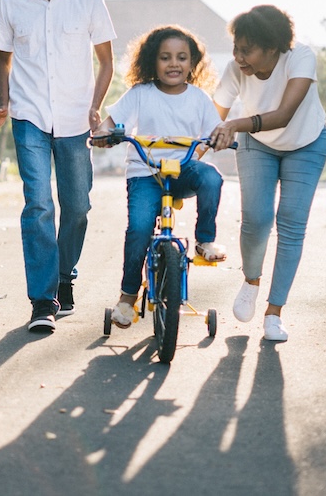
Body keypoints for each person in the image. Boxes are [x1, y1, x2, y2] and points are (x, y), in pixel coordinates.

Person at [0, 0, 116, 333]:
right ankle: (43, 300)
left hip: (76, 118)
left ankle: (65, 277)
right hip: (29, 117)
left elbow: (106, 61)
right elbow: (4, 61)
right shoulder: (10, 1)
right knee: (39, 204)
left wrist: (96, 107)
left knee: (77, 206)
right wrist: (4, 104)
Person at [92, 24, 226, 328]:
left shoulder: (199, 98)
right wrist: (103, 133)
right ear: (153, 61)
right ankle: (127, 298)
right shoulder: (140, 93)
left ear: (192, 63)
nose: (174, 64)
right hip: (145, 173)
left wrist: (216, 140)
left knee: (212, 178)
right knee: (139, 229)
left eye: (182, 57)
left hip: (182, 171)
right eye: (165, 57)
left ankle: (205, 240)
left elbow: (213, 132)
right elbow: (111, 122)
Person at [210, 4, 326, 342]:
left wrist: (234, 124)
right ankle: (251, 281)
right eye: (235, 47)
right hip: (257, 145)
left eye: (246, 49)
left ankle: (274, 313)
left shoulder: (300, 58)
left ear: (273, 47)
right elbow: (211, 117)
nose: (238, 56)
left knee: (291, 223)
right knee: (257, 219)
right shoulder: (236, 69)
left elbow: (284, 114)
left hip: (306, 142)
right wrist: (195, 148)